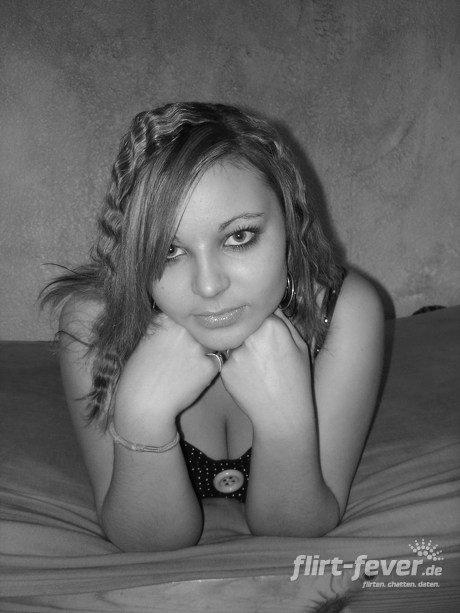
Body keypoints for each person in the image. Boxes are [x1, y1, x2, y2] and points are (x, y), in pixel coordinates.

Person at [39, 102, 384, 552]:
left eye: (239, 237)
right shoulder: (93, 324)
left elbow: (298, 529)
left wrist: (285, 424)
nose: (208, 286)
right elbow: (147, 540)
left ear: (290, 222)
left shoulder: (342, 313)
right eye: (169, 250)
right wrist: (142, 416)